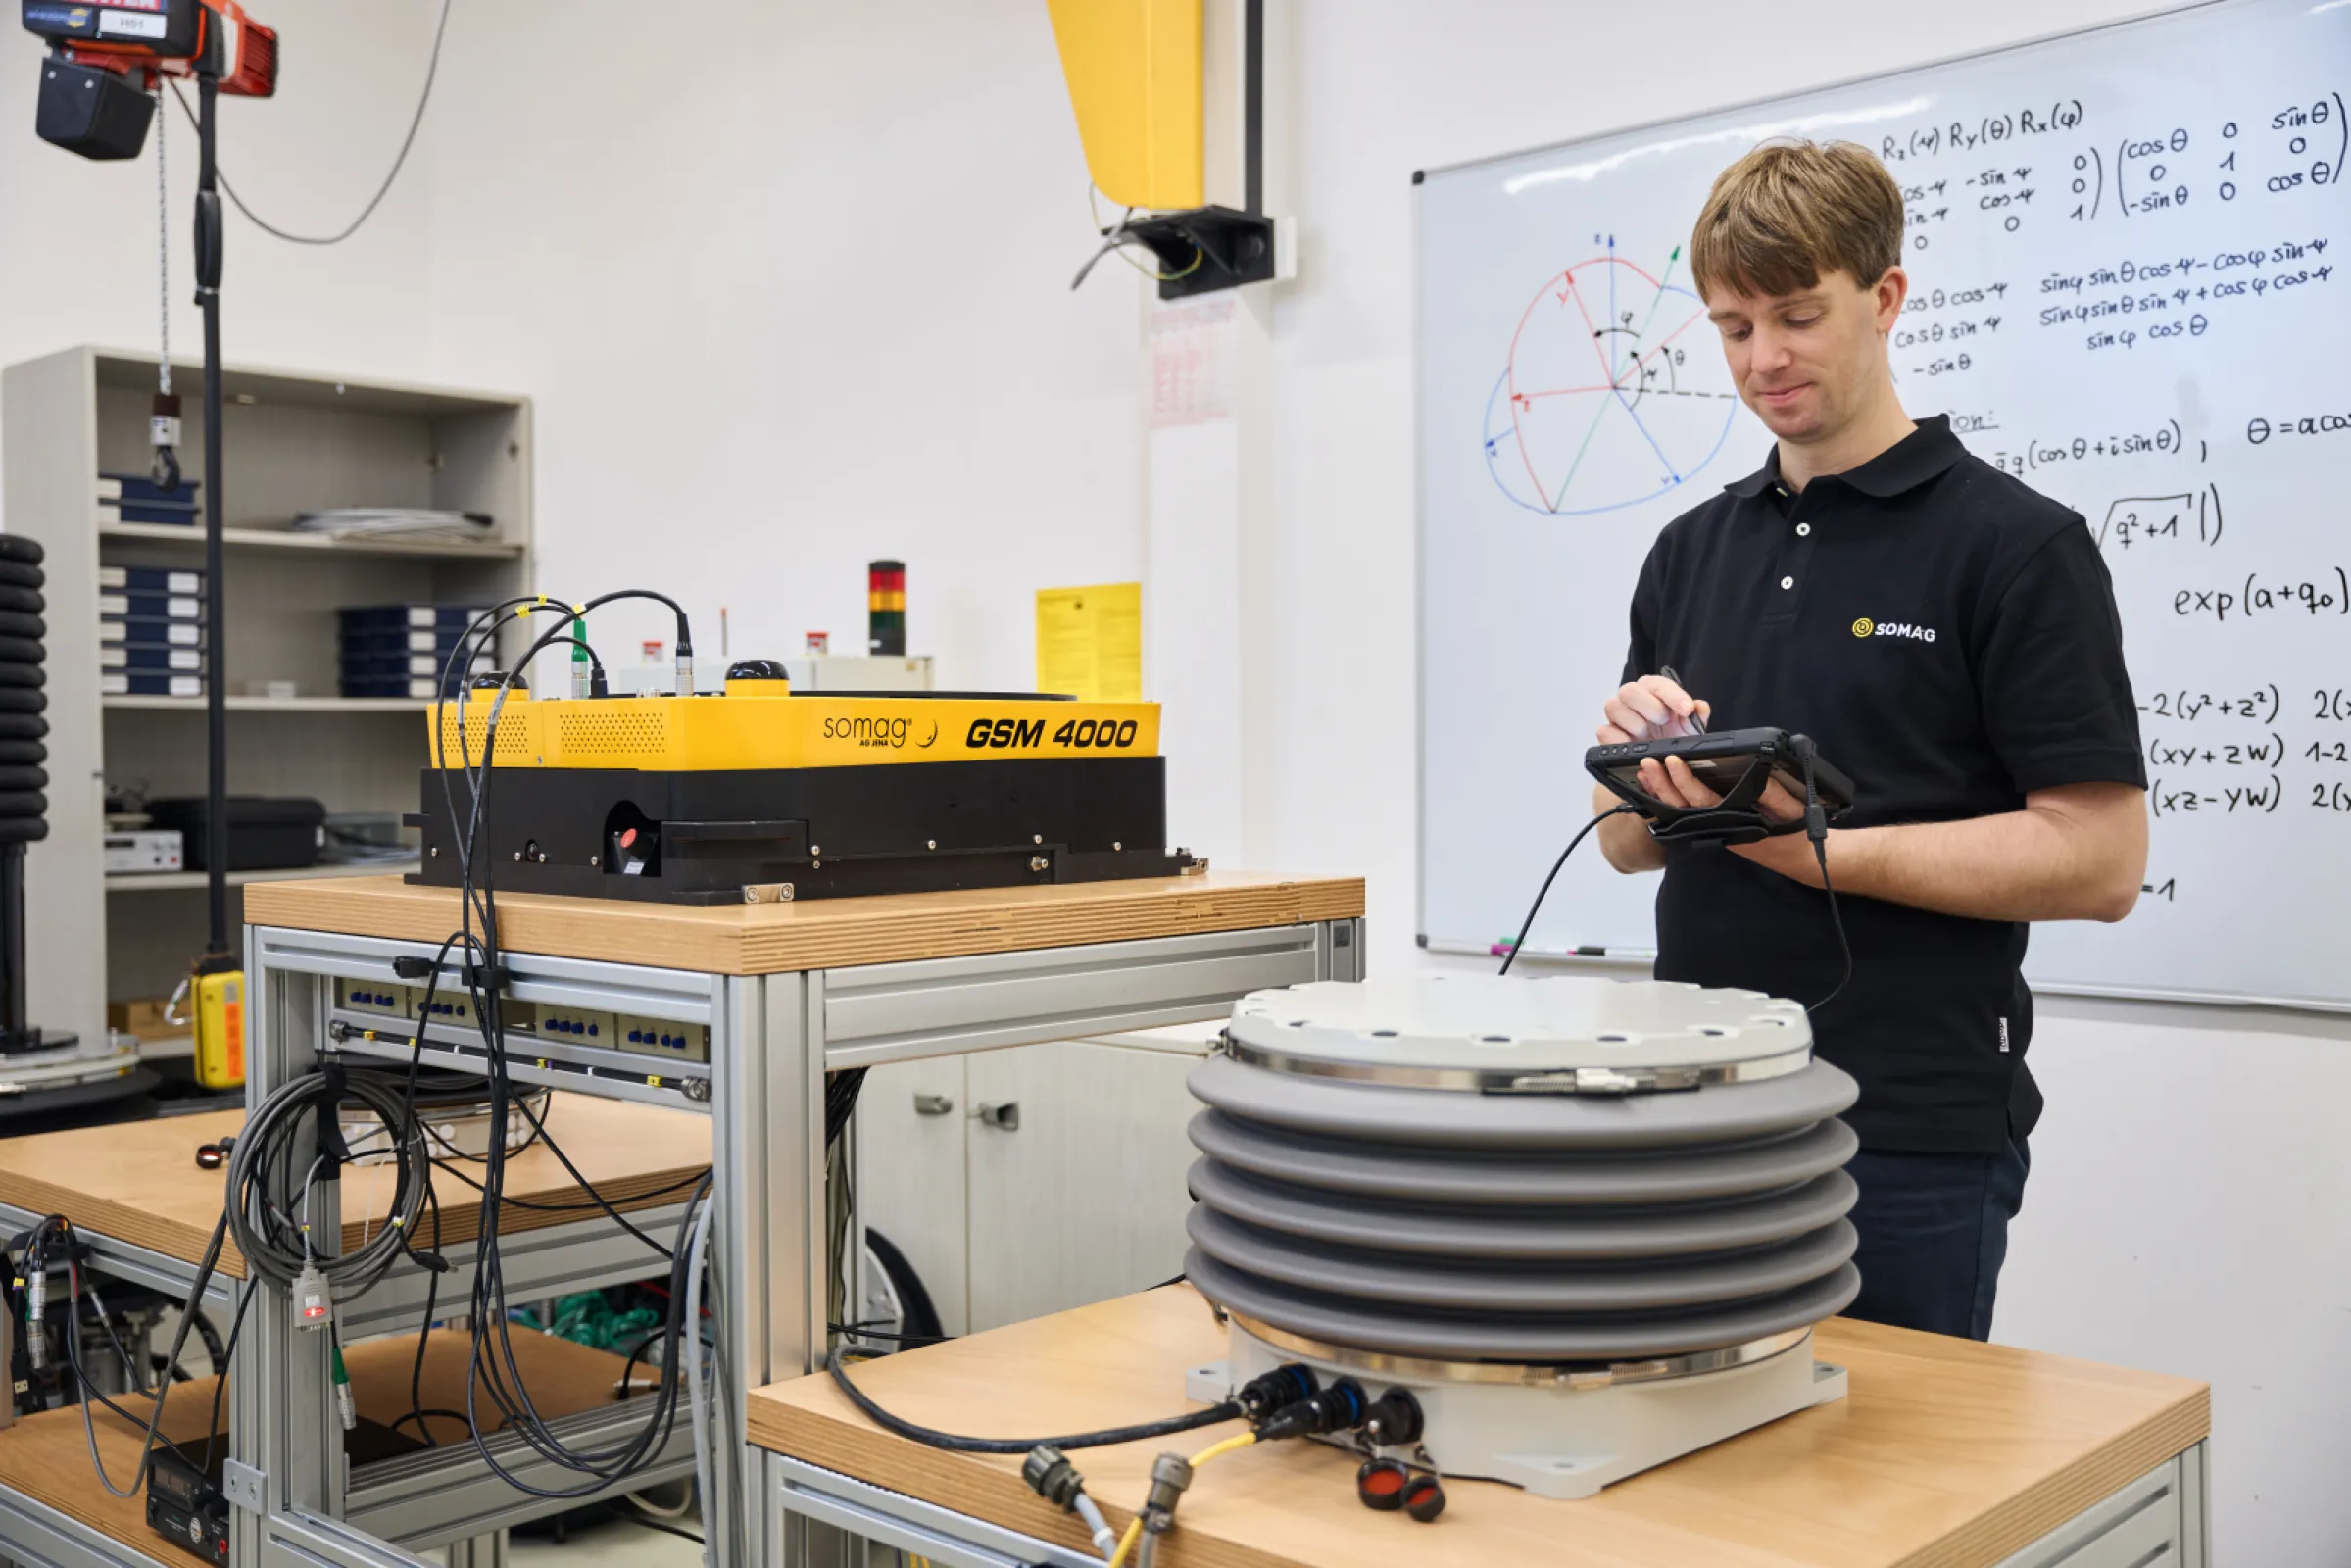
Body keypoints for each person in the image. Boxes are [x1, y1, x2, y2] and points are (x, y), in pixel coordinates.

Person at [1590, 139, 2148, 1341]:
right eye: (1732, 327)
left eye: (1796, 316)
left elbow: (2098, 862)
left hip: (1901, 1136)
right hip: (1693, 1107)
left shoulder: (2015, 546)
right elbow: (1627, 852)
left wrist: (1823, 851)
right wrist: (1634, 768)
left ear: (1884, 298)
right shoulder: (1688, 550)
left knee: (1885, 1516)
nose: (1763, 359)